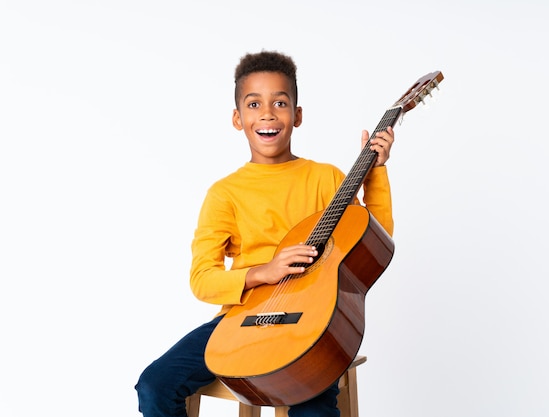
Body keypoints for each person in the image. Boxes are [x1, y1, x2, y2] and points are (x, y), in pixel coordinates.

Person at [135, 50, 395, 417]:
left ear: (297, 115)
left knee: (310, 400)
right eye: (254, 104)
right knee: (154, 384)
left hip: (309, 326)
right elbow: (202, 279)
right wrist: (264, 272)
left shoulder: (327, 180)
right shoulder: (225, 193)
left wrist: (377, 172)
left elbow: (373, 240)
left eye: (280, 102)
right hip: (238, 323)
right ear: (238, 119)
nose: (268, 113)